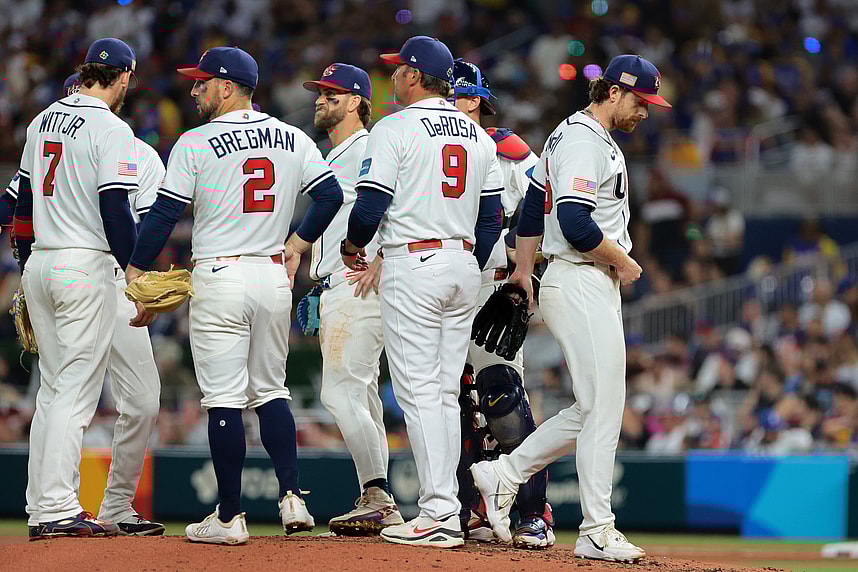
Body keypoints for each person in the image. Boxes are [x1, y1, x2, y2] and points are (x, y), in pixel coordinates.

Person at [125, 46, 344, 545]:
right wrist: (298, 242)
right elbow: (330, 195)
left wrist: (135, 270)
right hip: (271, 275)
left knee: (223, 399)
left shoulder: (195, 141)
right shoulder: (291, 137)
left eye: (202, 82)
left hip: (221, 275)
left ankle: (228, 517)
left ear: (228, 86)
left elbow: (162, 217)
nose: (195, 89)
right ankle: (292, 496)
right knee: (271, 390)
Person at [470, 54, 672, 563]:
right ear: (612, 91)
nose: (645, 112)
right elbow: (577, 224)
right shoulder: (583, 139)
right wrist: (623, 262)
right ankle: (596, 528)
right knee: (602, 408)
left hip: (579, 280)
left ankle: (505, 475)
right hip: (582, 277)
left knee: (595, 407)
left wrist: (521, 270)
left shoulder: (570, 135)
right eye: (641, 101)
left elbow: (535, 204)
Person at [341, 36, 504, 548]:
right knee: (443, 392)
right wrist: (464, 264)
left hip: (415, 260)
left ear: (414, 75)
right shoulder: (479, 137)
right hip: (460, 263)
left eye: (398, 70)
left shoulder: (394, 127)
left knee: (416, 391)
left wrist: (352, 244)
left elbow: (370, 204)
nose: (392, 77)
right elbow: (492, 217)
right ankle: (448, 510)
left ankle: (437, 512)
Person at [1, 72, 165, 539]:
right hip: (92, 271)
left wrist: (30, 266)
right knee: (70, 391)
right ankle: (54, 506)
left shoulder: (63, 129)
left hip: (82, 272)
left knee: (136, 398)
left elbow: (17, 209)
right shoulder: (104, 133)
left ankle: (107, 506)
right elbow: (119, 214)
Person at [449, 59, 553, 549]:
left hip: (491, 286)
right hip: (440, 286)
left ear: (472, 100)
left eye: (450, 96)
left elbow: (541, 208)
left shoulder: (507, 150)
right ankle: (466, 506)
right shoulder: (415, 142)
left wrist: (521, 267)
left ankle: (534, 510)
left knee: (501, 394)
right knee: (451, 402)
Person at [301, 63, 404, 535]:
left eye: (333, 93)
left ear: (358, 101)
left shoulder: (366, 147)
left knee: (338, 393)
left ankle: (379, 494)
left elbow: (388, 203)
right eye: (321, 93)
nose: (322, 100)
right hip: (339, 285)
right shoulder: (338, 151)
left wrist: (383, 255)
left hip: (358, 282)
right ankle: (376, 497)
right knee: (361, 396)